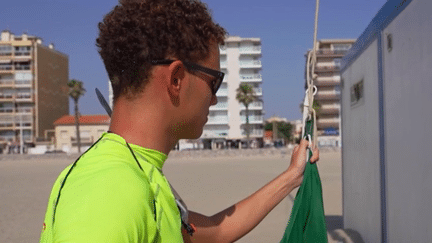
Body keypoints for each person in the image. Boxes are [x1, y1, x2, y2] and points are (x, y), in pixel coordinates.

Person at [39, 0, 320, 242]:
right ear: (176, 79)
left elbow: (217, 233)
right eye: (214, 81)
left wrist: (292, 176)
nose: (214, 98)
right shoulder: (107, 188)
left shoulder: (137, 173)